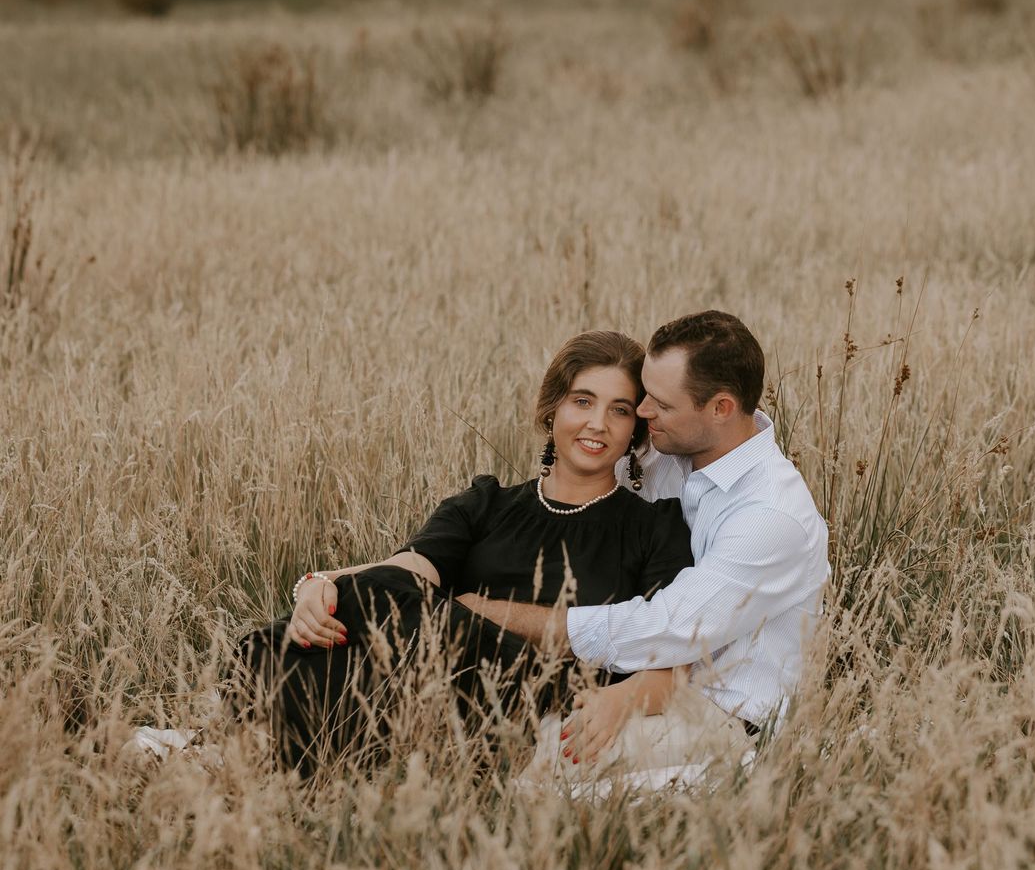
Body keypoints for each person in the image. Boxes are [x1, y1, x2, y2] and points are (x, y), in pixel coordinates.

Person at [223, 329, 696, 775]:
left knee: (408, 613)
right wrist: (321, 583)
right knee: (280, 641)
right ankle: (313, 747)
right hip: (440, 676)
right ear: (552, 410)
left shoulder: (656, 527)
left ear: (636, 427)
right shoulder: (486, 503)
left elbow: (672, 662)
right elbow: (406, 571)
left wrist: (621, 701)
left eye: (619, 410)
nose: (598, 423)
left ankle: (281, 742)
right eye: (582, 401)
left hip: (537, 690)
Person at [454, 311, 830, 780]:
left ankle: (728, 781)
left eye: (661, 404)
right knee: (494, 733)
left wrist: (496, 613)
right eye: (645, 394)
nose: (643, 412)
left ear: (721, 408)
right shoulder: (671, 453)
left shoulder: (771, 516)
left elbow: (668, 628)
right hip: (639, 686)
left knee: (545, 758)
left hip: (724, 716)